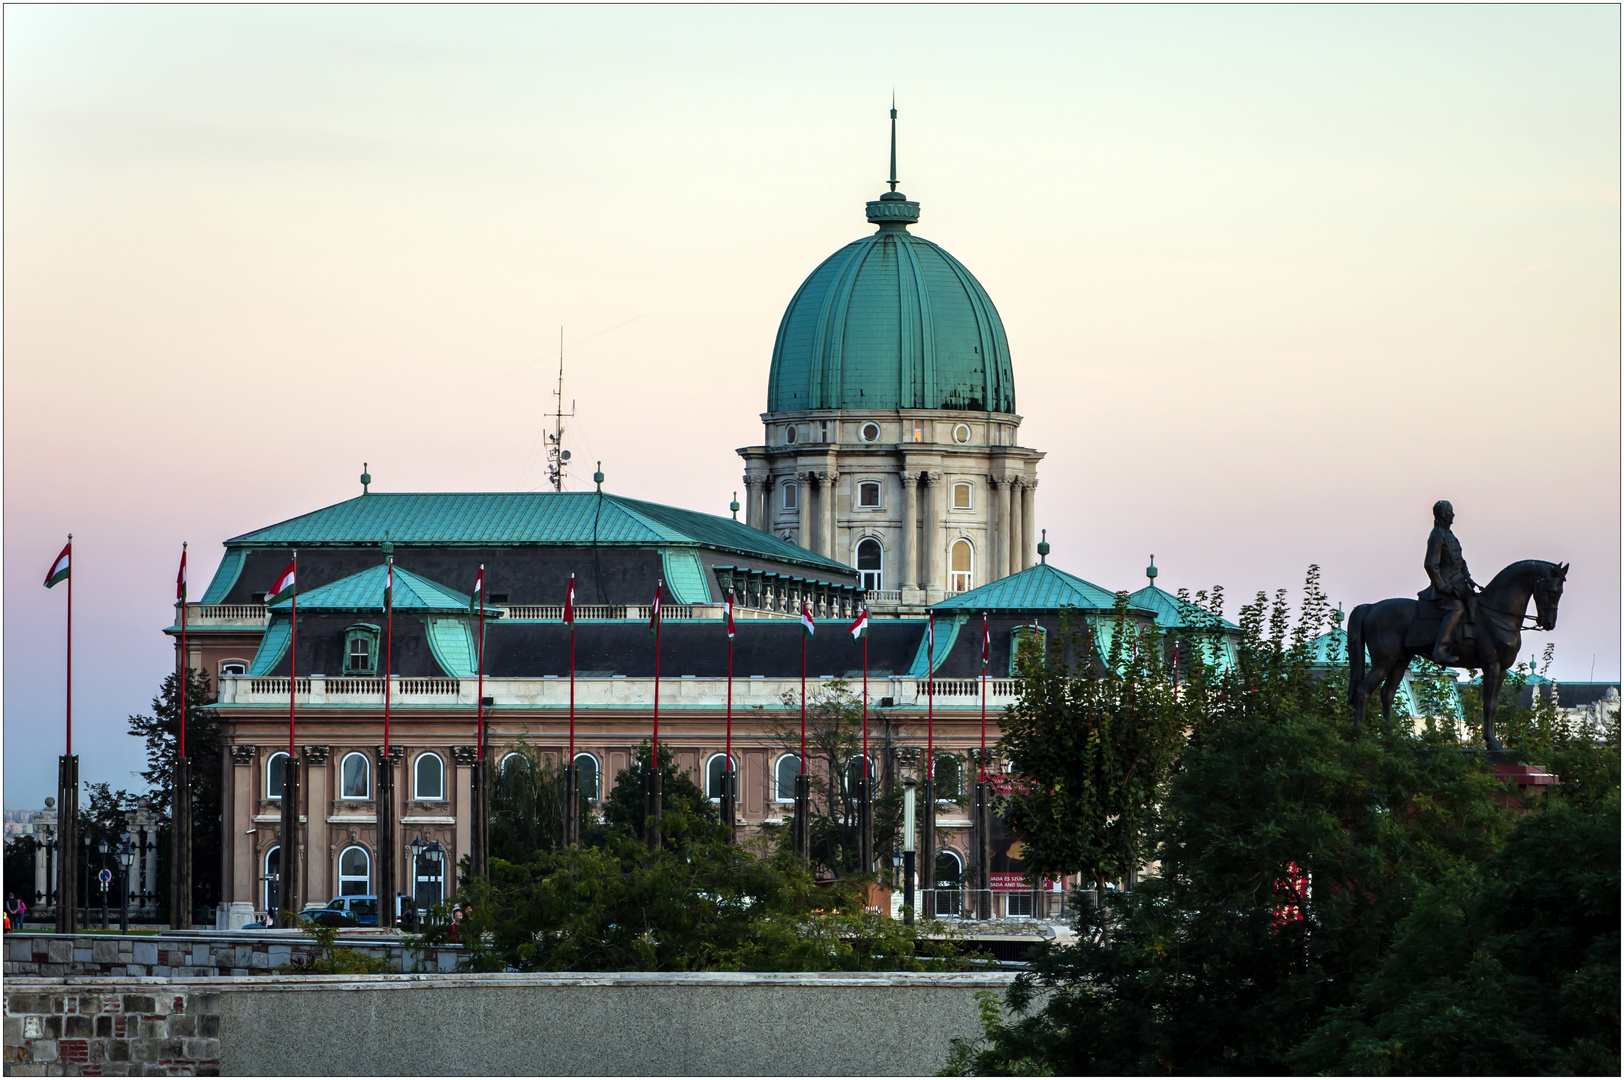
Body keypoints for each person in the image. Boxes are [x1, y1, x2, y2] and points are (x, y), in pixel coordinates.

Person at [1419, 500, 1476, 665]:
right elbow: (1430, 564)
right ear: (1443, 514)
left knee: (1475, 601)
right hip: (1444, 589)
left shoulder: (1450, 535)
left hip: (1459, 584)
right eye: (1450, 511)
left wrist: (1469, 579)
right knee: (1456, 609)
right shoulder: (1437, 535)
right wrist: (1443, 587)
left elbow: (1460, 561)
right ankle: (1440, 650)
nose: (1453, 514)